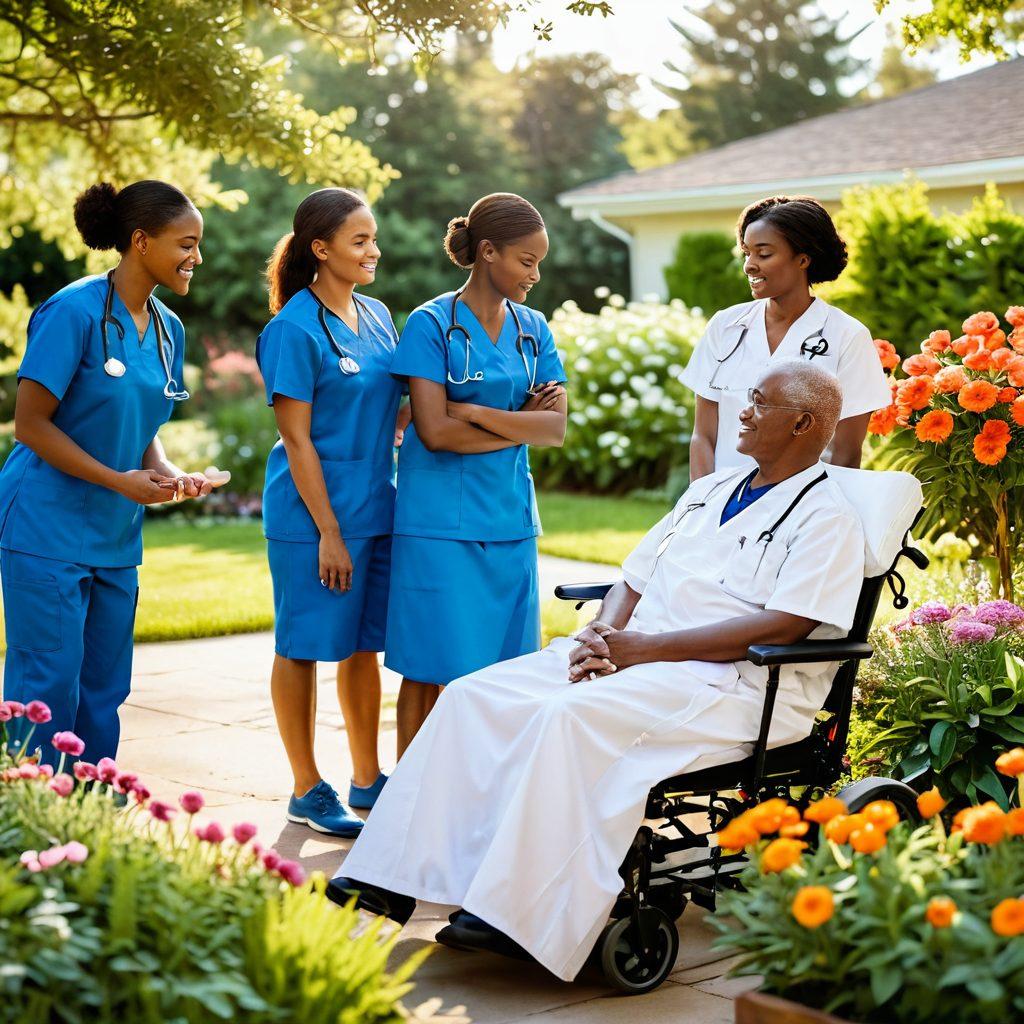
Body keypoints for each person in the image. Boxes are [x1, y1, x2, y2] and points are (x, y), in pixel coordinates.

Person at [329, 359, 866, 982]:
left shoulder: (827, 517)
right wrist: (605, 632)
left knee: (565, 720)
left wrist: (641, 649)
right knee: (472, 698)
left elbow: (784, 627)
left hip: (730, 683)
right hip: (639, 655)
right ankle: (392, 876)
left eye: (758, 402)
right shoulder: (712, 489)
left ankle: (513, 912)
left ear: (802, 423)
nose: (741, 411)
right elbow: (632, 578)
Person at [0, 179, 215, 766]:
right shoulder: (72, 311)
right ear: (141, 241)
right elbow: (32, 425)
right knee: (46, 684)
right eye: (186, 243)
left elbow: (140, 425)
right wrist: (121, 481)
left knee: (103, 688)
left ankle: (93, 811)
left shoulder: (169, 329)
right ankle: (31, 822)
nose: (197, 257)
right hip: (46, 525)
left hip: (115, 536)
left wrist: (167, 472)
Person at [386, 193, 567, 755]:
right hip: (438, 526)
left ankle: (484, 795)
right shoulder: (430, 324)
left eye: (539, 262)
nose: (535, 275)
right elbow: (434, 435)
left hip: (510, 521)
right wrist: (518, 422)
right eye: (526, 261)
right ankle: (411, 802)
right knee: (428, 666)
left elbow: (554, 429)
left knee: (506, 676)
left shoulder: (532, 327)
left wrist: (472, 411)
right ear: (488, 252)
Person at [257, 188, 407, 837]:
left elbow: (392, 410)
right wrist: (328, 533)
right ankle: (305, 788)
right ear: (321, 249)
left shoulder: (376, 316)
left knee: (361, 647)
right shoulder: (292, 328)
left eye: (373, 238)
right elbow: (297, 439)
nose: (373, 251)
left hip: (376, 505)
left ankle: (367, 779)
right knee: (302, 646)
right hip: (311, 519)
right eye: (359, 240)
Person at [683, 195, 890, 479]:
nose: (749, 265)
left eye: (764, 254)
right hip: (719, 508)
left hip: (801, 511)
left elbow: (846, 453)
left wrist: (805, 513)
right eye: (747, 253)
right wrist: (700, 506)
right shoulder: (724, 327)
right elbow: (703, 437)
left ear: (803, 259)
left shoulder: (847, 337)